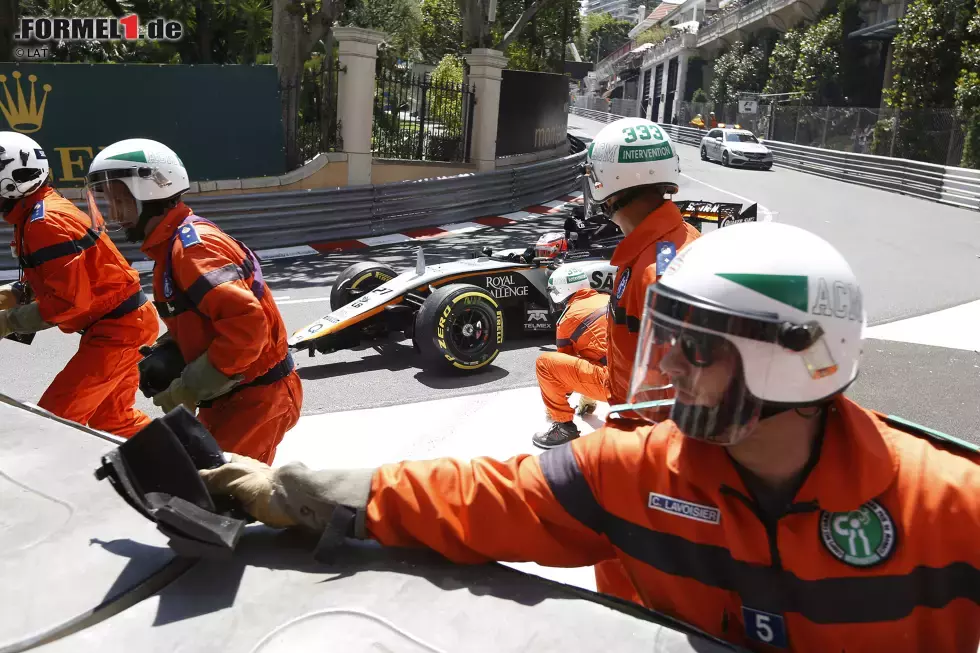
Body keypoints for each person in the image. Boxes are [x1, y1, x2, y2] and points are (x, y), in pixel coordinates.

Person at [201, 222, 980, 652]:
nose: (669, 360)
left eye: (697, 344)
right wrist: (297, 490)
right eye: (669, 335)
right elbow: (478, 496)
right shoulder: (634, 470)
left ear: (799, 361)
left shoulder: (952, 504)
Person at [84, 138, 302, 464]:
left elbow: (247, 326)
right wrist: (172, 349)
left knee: (218, 501)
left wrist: (190, 385)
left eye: (121, 200)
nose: (114, 214)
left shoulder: (193, 248)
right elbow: (209, 317)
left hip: (254, 400)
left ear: (151, 191)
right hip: (236, 396)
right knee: (198, 491)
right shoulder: (174, 245)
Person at [0, 131, 158, 437]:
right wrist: (16, 293)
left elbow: (72, 301)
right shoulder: (39, 213)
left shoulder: (43, 222)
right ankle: (197, 461)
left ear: (12, 179)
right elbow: (67, 276)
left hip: (118, 330)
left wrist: (8, 322)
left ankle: (205, 466)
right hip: (122, 323)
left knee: (55, 423)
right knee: (113, 420)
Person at [584, 117, 700, 425]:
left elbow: (675, 389)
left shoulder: (659, 272)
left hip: (644, 434)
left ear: (610, 185)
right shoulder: (666, 243)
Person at [532, 266, 610, 449]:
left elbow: (563, 375)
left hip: (614, 386)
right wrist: (589, 398)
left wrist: (554, 405)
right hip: (643, 382)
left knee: (545, 364)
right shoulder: (608, 299)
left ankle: (563, 426)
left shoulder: (567, 318)